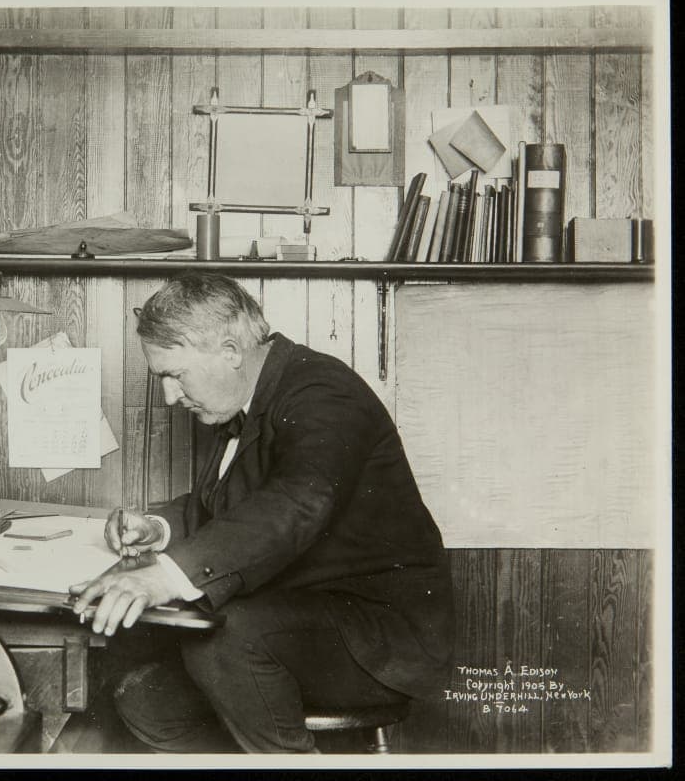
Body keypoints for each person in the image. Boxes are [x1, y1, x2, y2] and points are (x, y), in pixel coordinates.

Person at [69, 272, 455, 753]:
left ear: (230, 351)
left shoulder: (323, 392)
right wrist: (157, 527)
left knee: (225, 638)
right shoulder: (246, 402)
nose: (169, 396)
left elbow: (296, 503)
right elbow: (229, 508)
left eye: (175, 375)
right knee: (146, 698)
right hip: (299, 617)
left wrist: (165, 577)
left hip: (378, 638)